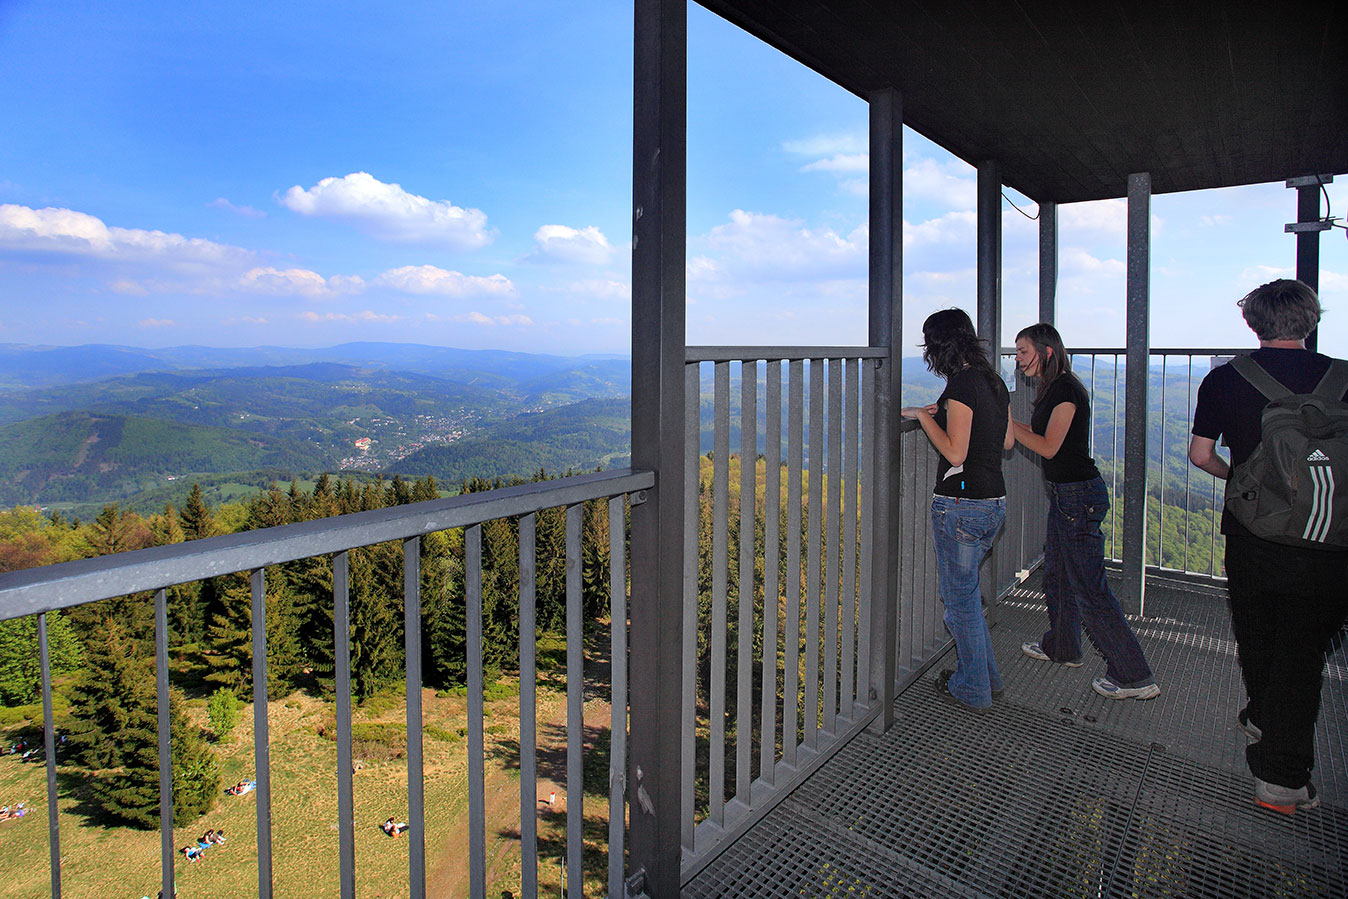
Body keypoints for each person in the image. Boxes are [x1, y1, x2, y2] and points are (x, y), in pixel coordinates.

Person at [1189, 278, 1348, 815]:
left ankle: (1266, 728)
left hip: (1253, 533)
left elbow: (1199, 454)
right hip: (1330, 537)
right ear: (1310, 321)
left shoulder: (1225, 381)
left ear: (1253, 323)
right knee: (1303, 650)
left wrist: (1240, 480)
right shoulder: (1344, 378)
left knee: (1257, 629)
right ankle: (1282, 775)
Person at [1011, 323, 1160, 701]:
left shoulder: (1064, 390)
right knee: (1058, 576)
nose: (1018, 360)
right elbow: (1041, 434)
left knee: (1091, 591)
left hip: (1078, 497)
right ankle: (1062, 647)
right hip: (1069, 497)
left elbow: (1048, 447)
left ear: (1046, 352)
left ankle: (1133, 675)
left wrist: (1005, 424)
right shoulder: (1056, 387)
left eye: (1023, 351)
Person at [901, 308, 1014, 710]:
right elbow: (1006, 442)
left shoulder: (961, 386)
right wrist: (942, 413)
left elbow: (954, 451)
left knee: (959, 606)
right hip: (993, 503)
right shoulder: (994, 382)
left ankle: (973, 690)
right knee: (967, 600)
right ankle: (987, 680)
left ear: (940, 346)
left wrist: (920, 415)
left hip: (960, 505)